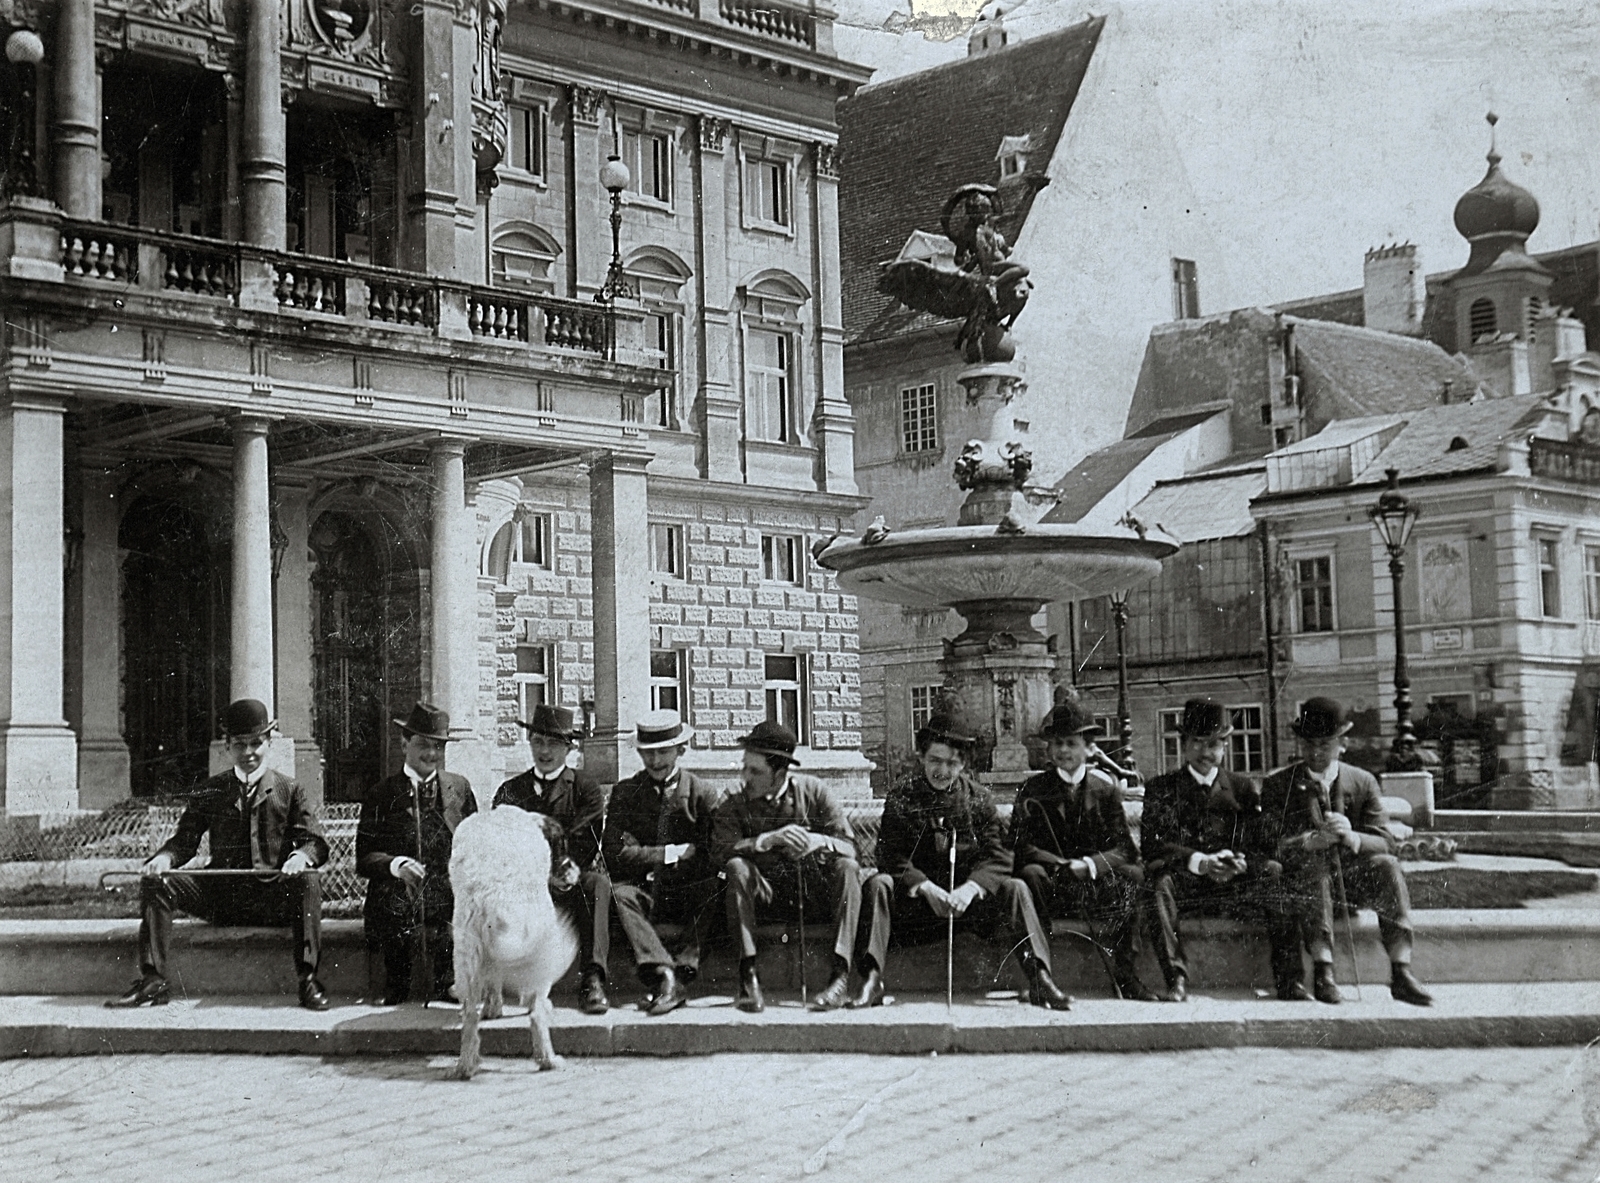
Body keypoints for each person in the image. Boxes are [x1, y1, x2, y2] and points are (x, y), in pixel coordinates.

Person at [107, 698, 330, 1010]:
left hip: (272, 896)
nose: (249, 753)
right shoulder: (211, 789)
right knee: (159, 881)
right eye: (240, 745)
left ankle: (308, 980)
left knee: (309, 879)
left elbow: (315, 842)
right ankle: (153, 981)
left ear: (269, 743)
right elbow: (185, 840)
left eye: (256, 743)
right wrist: (164, 859)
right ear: (227, 746)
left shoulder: (290, 790)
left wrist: (299, 857)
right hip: (224, 896)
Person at [861, 706, 1071, 1010]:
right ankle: (871, 979)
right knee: (878, 883)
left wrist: (971, 889)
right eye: (934, 760)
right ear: (921, 757)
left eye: (952, 763)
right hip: (919, 910)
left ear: (964, 764)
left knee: (1016, 888)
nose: (942, 771)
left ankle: (1039, 978)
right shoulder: (901, 798)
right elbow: (890, 855)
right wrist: (925, 887)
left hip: (970, 910)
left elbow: (999, 855)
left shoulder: (979, 799)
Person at [1258, 697, 1433, 1007]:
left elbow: (1384, 840)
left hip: (1351, 886)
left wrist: (1352, 837)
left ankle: (1401, 971)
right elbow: (1268, 842)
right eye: (1308, 744)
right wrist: (1310, 841)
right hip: (1303, 887)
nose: (1315, 752)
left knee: (1387, 865)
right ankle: (1324, 972)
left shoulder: (1362, 781)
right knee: (1314, 868)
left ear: (1343, 743)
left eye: (1325, 744)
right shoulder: (1278, 785)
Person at [1009, 699, 1161, 1001]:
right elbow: (1021, 844)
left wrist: (1091, 865)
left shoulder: (1105, 790)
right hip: (1053, 885)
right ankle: (1041, 977)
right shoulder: (1034, 790)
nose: (1063, 751)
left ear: (1089, 749)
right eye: (1057, 743)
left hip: (1095, 887)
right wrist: (1062, 864)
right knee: (1029, 874)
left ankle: (1126, 974)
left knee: (1133, 877)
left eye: (1071, 743)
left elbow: (1125, 849)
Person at [1141, 698, 1291, 1002]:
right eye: (1197, 743)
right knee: (1158, 885)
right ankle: (1176, 978)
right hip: (1188, 883)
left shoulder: (1242, 788)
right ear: (1183, 745)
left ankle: (1288, 978)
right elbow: (1152, 844)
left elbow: (1262, 842)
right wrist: (1199, 861)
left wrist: (1242, 861)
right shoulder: (1162, 788)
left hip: (1234, 884)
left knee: (1274, 873)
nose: (1206, 753)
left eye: (1214, 744)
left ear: (1224, 746)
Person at [711, 721, 864, 1014]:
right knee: (736, 867)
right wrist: (762, 841)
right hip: (763, 898)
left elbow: (850, 847)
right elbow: (718, 850)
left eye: (755, 771)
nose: (746, 776)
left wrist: (818, 841)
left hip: (811, 896)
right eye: (745, 767)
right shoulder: (735, 800)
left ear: (780, 773)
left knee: (846, 867)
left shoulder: (814, 791)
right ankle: (749, 978)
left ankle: (839, 976)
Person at [356, 702, 477, 1006]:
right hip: (401, 889)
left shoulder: (459, 788)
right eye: (423, 744)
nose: (431, 754)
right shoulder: (381, 794)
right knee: (391, 894)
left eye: (438, 746)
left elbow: (474, 842)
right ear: (404, 743)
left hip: (445, 889)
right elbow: (365, 857)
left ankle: (448, 982)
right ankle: (396, 982)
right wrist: (396, 865)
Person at [494, 703, 612, 1015]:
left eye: (554, 744)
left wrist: (566, 868)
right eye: (538, 742)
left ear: (569, 748)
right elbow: (504, 841)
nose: (545, 751)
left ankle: (593, 979)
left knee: (597, 884)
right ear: (530, 743)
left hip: (569, 878)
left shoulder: (585, 787)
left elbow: (583, 838)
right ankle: (499, 981)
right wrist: (537, 873)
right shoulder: (510, 790)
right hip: (526, 882)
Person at [603, 709, 722, 1016]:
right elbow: (615, 856)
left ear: (680, 750)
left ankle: (682, 970)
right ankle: (664, 974)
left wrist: (641, 852)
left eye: (663, 752)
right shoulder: (625, 793)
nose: (655, 762)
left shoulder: (703, 794)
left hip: (688, 893)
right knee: (620, 894)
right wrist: (671, 852)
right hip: (645, 892)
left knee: (716, 886)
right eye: (647, 753)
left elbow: (711, 854)